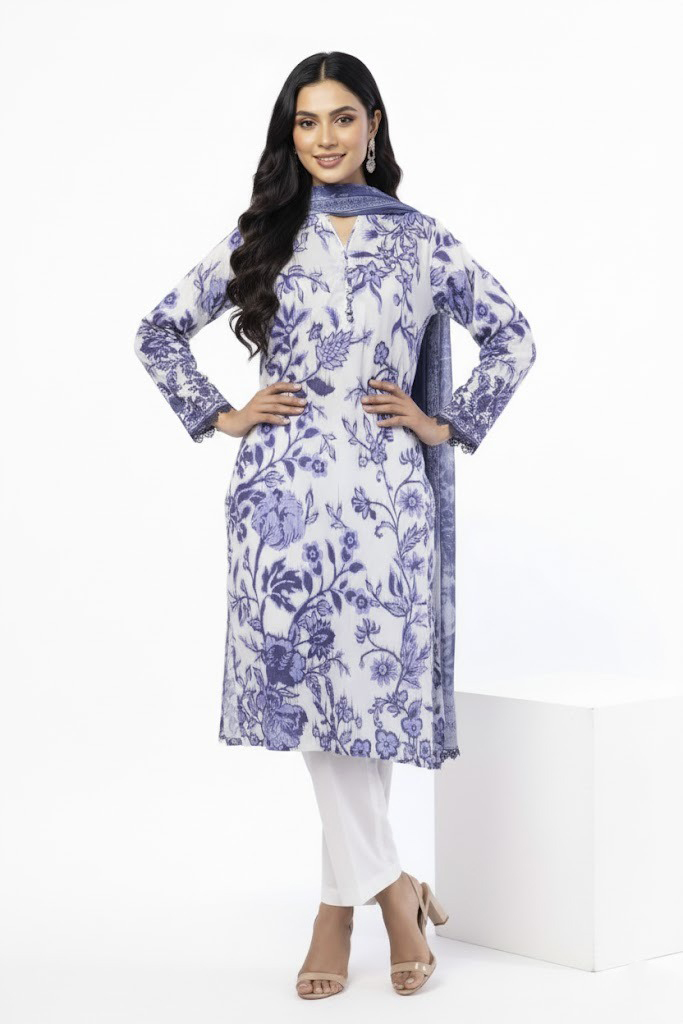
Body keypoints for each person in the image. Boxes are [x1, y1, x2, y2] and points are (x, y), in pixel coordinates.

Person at [134, 51, 536, 999]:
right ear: (291, 133)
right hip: (281, 503)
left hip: (387, 503)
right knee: (312, 698)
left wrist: (444, 424)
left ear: (374, 124)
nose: (324, 138)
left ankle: (339, 907)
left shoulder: (421, 241)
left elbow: (513, 335)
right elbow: (158, 329)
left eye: (342, 118)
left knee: (362, 699)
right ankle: (391, 893)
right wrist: (222, 413)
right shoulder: (262, 235)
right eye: (306, 122)